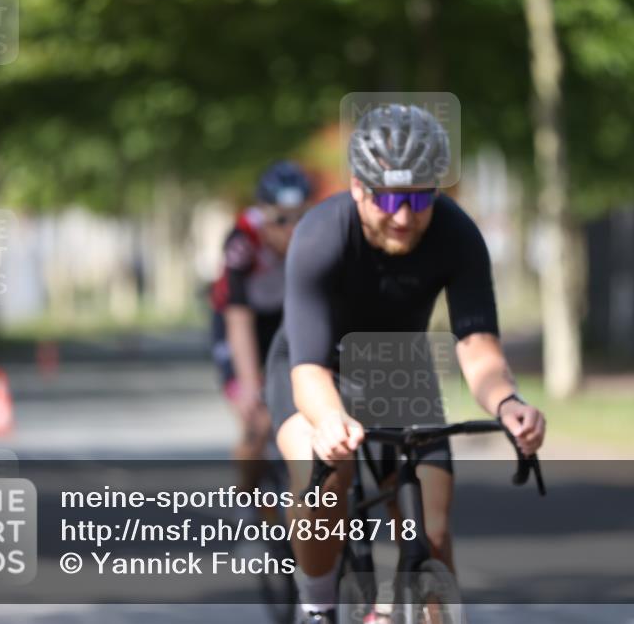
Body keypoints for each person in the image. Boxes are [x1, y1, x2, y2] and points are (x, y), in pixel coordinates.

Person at [264, 104, 547, 624]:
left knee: (432, 535)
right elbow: (307, 369)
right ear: (357, 188)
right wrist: (329, 422)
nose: (402, 215)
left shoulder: (457, 236)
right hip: (313, 368)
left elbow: (477, 345)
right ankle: (318, 607)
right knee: (324, 470)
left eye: (419, 198)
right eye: (389, 197)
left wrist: (508, 403)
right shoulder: (321, 236)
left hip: (397, 368)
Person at [209, 161, 313, 493]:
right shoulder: (242, 240)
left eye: (300, 217)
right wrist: (251, 385)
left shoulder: (315, 238)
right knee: (255, 420)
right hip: (239, 325)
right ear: (262, 214)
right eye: (281, 219)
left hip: (284, 322)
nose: (291, 229)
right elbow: (238, 320)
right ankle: (245, 501)